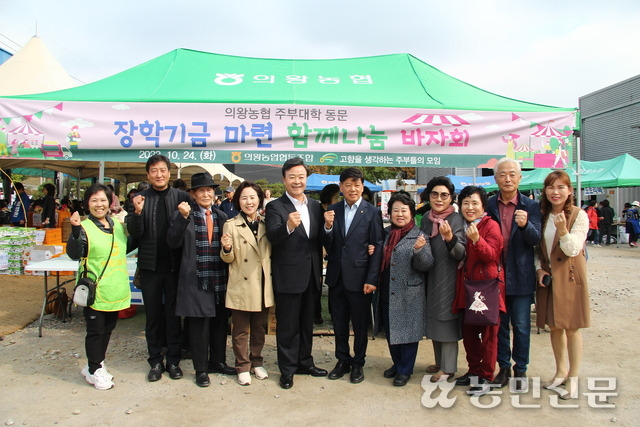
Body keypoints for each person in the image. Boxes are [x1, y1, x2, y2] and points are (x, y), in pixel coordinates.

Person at [127, 155, 191, 382]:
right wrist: (136, 213)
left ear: (169, 173)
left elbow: (188, 232)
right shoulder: (139, 198)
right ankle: (155, 361)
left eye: (163, 170)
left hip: (175, 266)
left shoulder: (182, 197)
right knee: (153, 316)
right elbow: (134, 234)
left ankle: (173, 360)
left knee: (174, 315)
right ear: (148, 175)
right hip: (149, 267)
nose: (159, 174)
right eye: (154, 171)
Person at [265, 157, 328, 389]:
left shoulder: (314, 206)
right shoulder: (275, 207)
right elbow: (272, 236)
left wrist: (329, 228)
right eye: (292, 177)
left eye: (301, 177)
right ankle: (287, 369)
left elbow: (320, 239)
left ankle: (305, 362)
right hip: (288, 277)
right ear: (284, 179)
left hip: (312, 275)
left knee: (306, 324)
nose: (297, 181)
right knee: (287, 326)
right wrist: (288, 226)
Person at [167, 172, 230, 387]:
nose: (206, 193)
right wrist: (181, 218)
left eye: (209, 190)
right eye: (201, 190)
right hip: (195, 278)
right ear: (192, 194)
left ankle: (217, 361)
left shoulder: (221, 216)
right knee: (199, 326)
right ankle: (201, 369)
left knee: (220, 323)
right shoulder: (185, 215)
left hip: (219, 277)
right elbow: (173, 243)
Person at [67, 184, 132, 390]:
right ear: (87, 203)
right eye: (94, 200)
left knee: (107, 329)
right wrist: (76, 229)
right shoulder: (85, 227)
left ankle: (96, 364)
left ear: (109, 202)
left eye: (103, 200)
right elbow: (74, 253)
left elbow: (128, 246)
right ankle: (94, 369)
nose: (99, 204)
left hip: (115, 288)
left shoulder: (116, 225)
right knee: (95, 330)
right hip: (95, 289)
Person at [323, 167, 384, 384]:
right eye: (347, 185)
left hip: (360, 279)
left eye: (357, 185)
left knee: (359, 325)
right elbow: (328, 244)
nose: (352, 189)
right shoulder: (333, 210)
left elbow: (377, 247)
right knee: (338, 323)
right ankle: (342, 360)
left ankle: (358, 362)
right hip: (337, 276)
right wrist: (328, 227)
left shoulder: (372, 212)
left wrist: (371, 279)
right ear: (341, 187)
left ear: (362, 187)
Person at [486, 157, 541, 391]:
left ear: (520, 178)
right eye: (502, 174)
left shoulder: (531, 206)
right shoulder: (488, 204)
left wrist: (525, 225)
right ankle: (503, 368)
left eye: (512, 174)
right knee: (499, 324)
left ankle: (521, 370)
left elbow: (535, 239)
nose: (507, 179)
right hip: (494, 277)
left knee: (521, 326)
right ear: (495, 178)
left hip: (521, 276)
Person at [535, 170, 590, 399]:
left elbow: (573, 249)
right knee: (554, 327)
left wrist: (563, 231)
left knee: (572, 327)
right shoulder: (542, 215)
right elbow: (537, 248)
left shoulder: (579, 215)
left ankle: (573, 378)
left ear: (569, 191)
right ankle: (560, 371)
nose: (555, 192)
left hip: (569, 277)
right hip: (548, 278)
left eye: (560, 187)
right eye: (550, 187)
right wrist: (538, 268)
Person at [220, 181, 274, 386]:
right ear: (237, 201)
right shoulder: (230, 224)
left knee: (259, 327)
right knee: (240, 329)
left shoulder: (266, 223)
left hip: (262, 282)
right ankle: (242, 365)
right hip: (241, 283)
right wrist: (225, 248)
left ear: (259, 199)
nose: (249, 202)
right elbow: (227, 258)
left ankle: (256, 361)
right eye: (244, 198)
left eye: (252, 197)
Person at [452, 186, 505, 395]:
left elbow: (492, 255)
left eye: (474, 203)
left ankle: (486, 376)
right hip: (467, 287)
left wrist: (477, 240)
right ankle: (473, 371)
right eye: (466, 203)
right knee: (470, 334)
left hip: (487, 289)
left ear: (483, 206)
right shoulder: (460, 225)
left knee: (489, 335)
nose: (470, 207)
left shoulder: (490, 226)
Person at [378, 191, 433, 387]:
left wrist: (419, 251)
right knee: (392, 331)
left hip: (410, 293)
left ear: (411, 213)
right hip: (388, 289)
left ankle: (405, 369)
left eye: (404, 210)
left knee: (408, 333)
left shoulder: (419, 236)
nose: (399, 214)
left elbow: (426, 264)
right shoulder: (385, 234)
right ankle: (397, 363)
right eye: (395, 210)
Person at [419, 176, 465, 382]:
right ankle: (439, 362)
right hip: (430, 276)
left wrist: (449, 238)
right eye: (435, 194)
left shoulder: (456, 219)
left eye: (444, 195)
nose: (439, 199)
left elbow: (461, 253)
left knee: (447, 320)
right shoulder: (427, 219)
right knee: (434, 319)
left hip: (449, 278)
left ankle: (448, 368)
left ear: (451, 198)